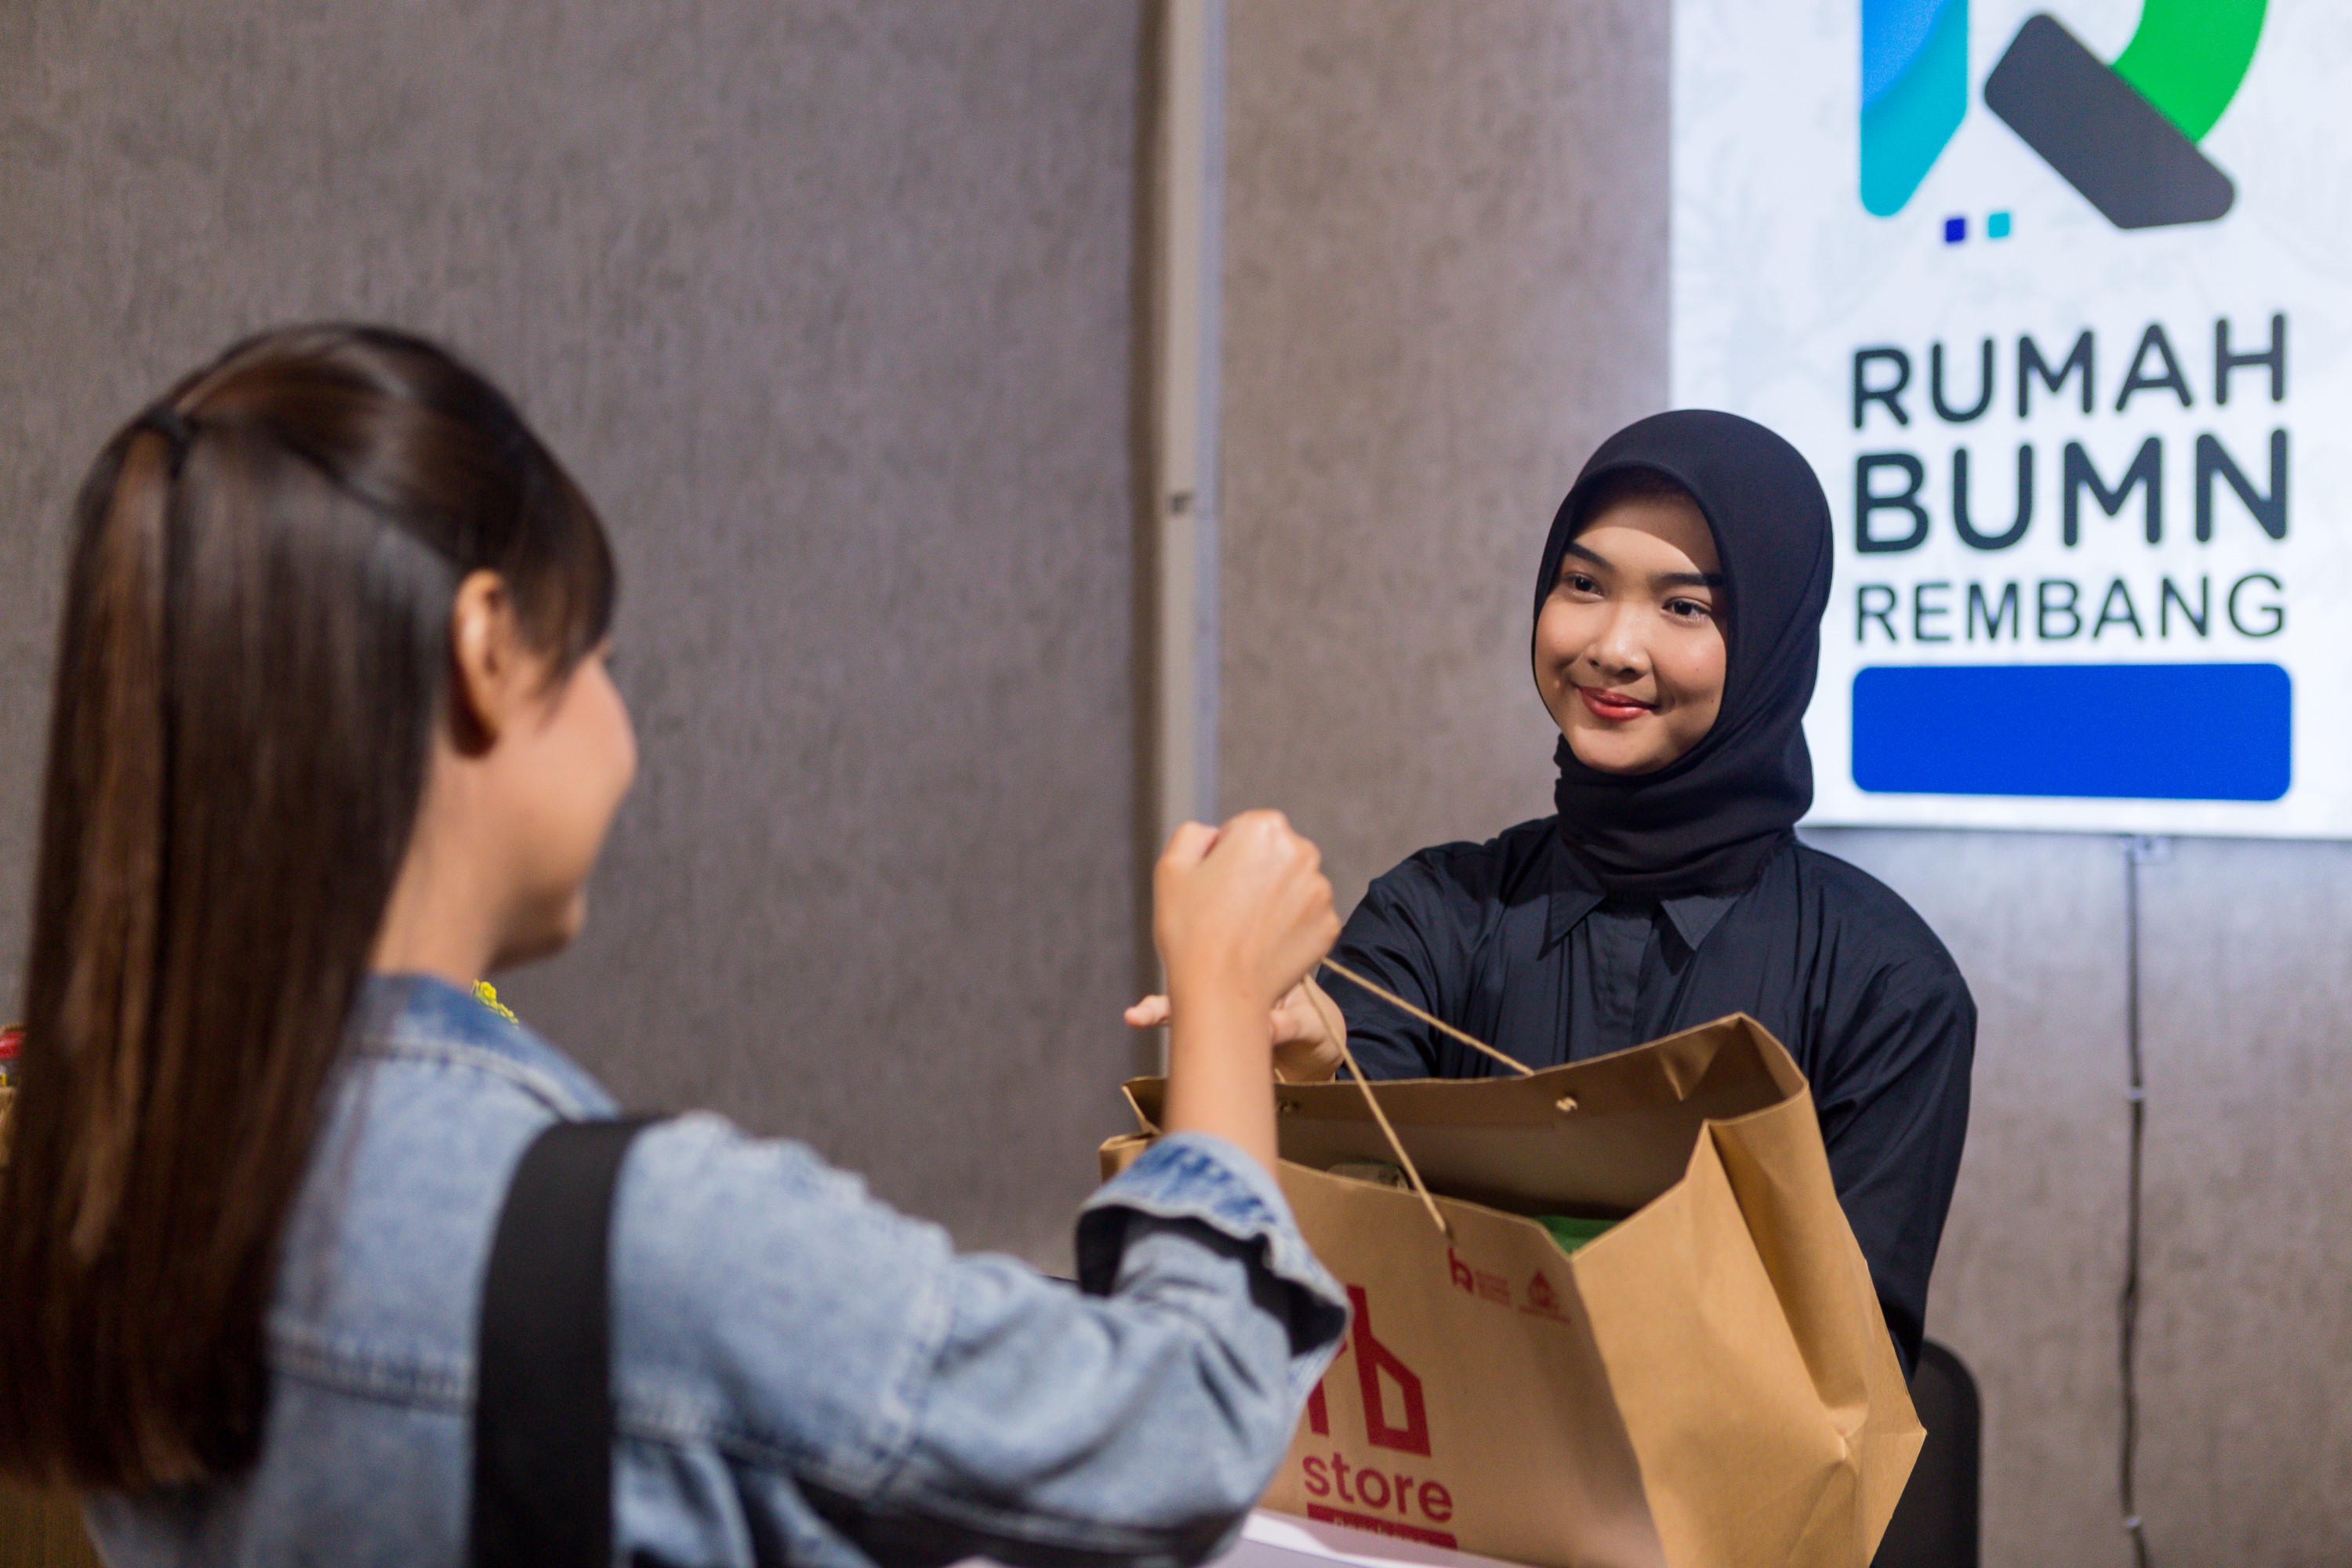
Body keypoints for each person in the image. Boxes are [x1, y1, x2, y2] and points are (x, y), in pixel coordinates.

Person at [0, 324, 1348, 1566]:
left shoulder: (124, 1185)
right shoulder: (634, 1237)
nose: (621, 725)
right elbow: (1181, 1426)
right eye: (597, 654)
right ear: (485, 650)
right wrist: (1220, 998)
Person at [1129, 410, 1973, 1373]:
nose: (1614, 645)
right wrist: (1307, 1069)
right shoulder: (1434, 910)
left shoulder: (1886, 984)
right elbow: (1333, 1265)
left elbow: (1845, 1370)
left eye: (1684, 606)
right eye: (1583, 584)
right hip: (1427, 1499)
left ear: (1775, 643)